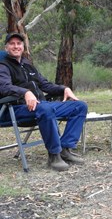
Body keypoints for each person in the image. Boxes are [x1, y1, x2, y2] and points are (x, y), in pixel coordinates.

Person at [0, 32, 88, 171]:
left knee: (80, 106)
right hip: (16, 108)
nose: (16, 46)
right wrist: (25, 92)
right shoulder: (3, 65)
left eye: (19, 43)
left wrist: (64, 88)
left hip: (41, 105)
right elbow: (4, 87)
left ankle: (64, 148)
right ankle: (54, 156)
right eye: (12, 44)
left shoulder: (28, 65)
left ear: (23, 46)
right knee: (46, 109)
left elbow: (45, 85)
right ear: (6, 48)